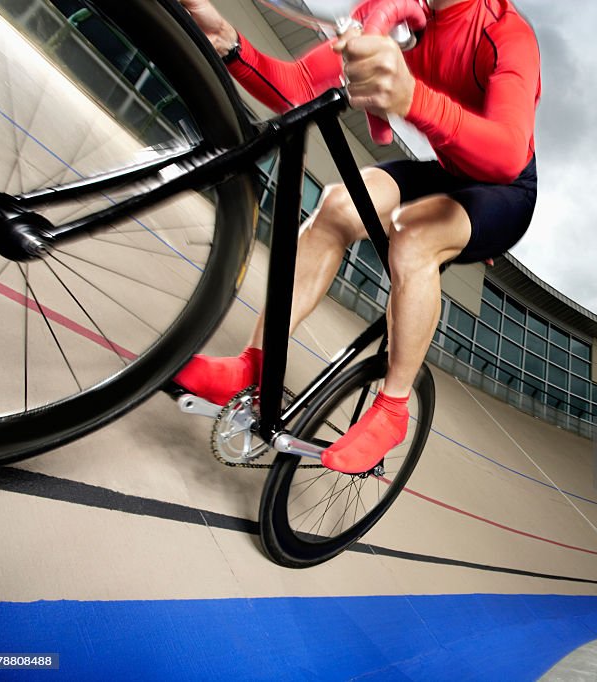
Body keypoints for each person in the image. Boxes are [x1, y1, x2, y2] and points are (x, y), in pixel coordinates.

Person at [173, 0, 541, 475]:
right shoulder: (395, 11)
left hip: (506, 190)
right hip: (449, 170)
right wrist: (229, 43)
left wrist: (413, 100)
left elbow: (508, 153)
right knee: (335, 206)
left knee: (412, 236)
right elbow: (299, 88)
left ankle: (392, 409)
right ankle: (254, 367)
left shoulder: (506, 33)